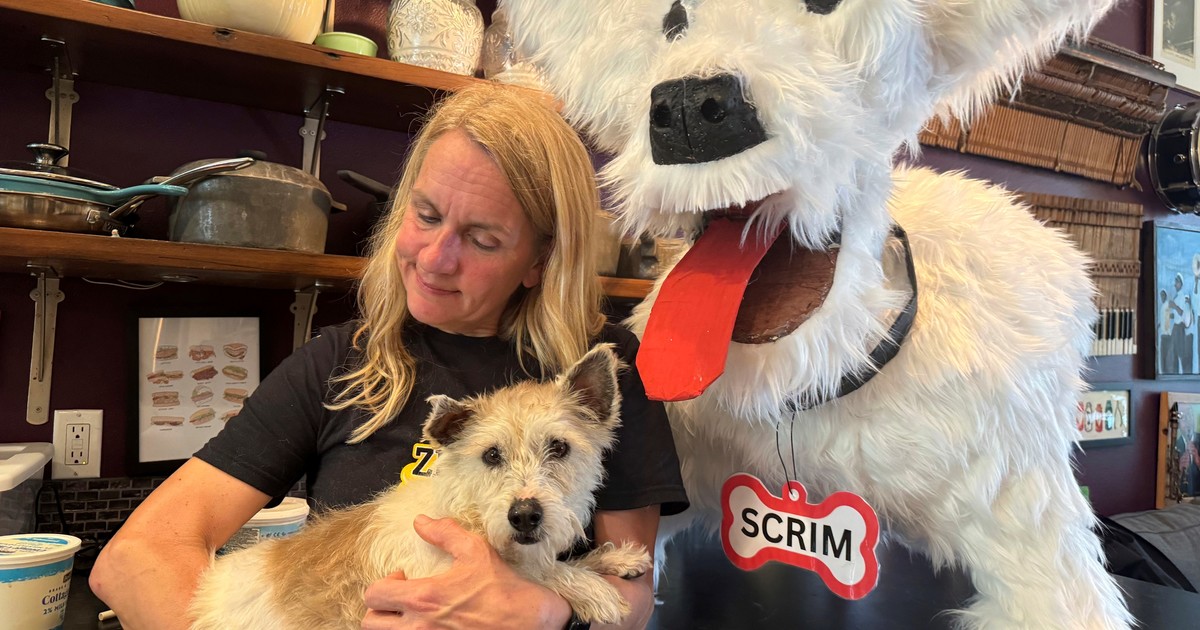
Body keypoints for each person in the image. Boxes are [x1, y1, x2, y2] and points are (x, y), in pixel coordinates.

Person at [90, 84, 689, 630]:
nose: (433, 259)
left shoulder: (603, 370)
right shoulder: (337, 363)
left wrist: (542, 611)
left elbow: (630, 598)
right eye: (426, 215)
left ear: (540, 259)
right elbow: (135, 557)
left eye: (482, 239)